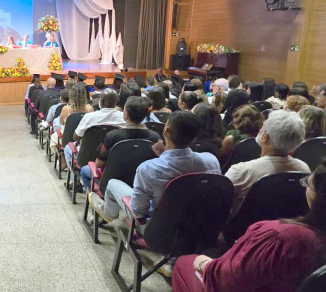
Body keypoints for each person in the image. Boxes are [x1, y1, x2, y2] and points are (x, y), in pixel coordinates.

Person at [173, 161, 326, 292]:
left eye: (307, 184)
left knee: (184, 262)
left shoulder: (283, 237)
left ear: (318, 196)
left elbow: (225, 281)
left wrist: (204, 264)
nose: (304, 187)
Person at [88, 111, 220, 225]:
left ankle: (107, 213)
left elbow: (138, 213)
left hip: (158, 230)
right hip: (200, 227)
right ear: (195, 136)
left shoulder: (148, 169)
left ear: (166, 131)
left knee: (112, 183)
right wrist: (164, 154)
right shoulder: (211, 160)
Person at [224, 110, 310, 216]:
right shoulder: (304, 169)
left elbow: (218, 204)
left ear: (265, 137)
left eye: (262, 128)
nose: (259, 129)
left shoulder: (241, 172)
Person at [79, 96, 160, 191]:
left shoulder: (112, 136)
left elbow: (99, 164)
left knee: (84, 170)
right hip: (143, 184)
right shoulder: (155, 137)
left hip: (111, 182)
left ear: (126, 114)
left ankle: (93, 198)